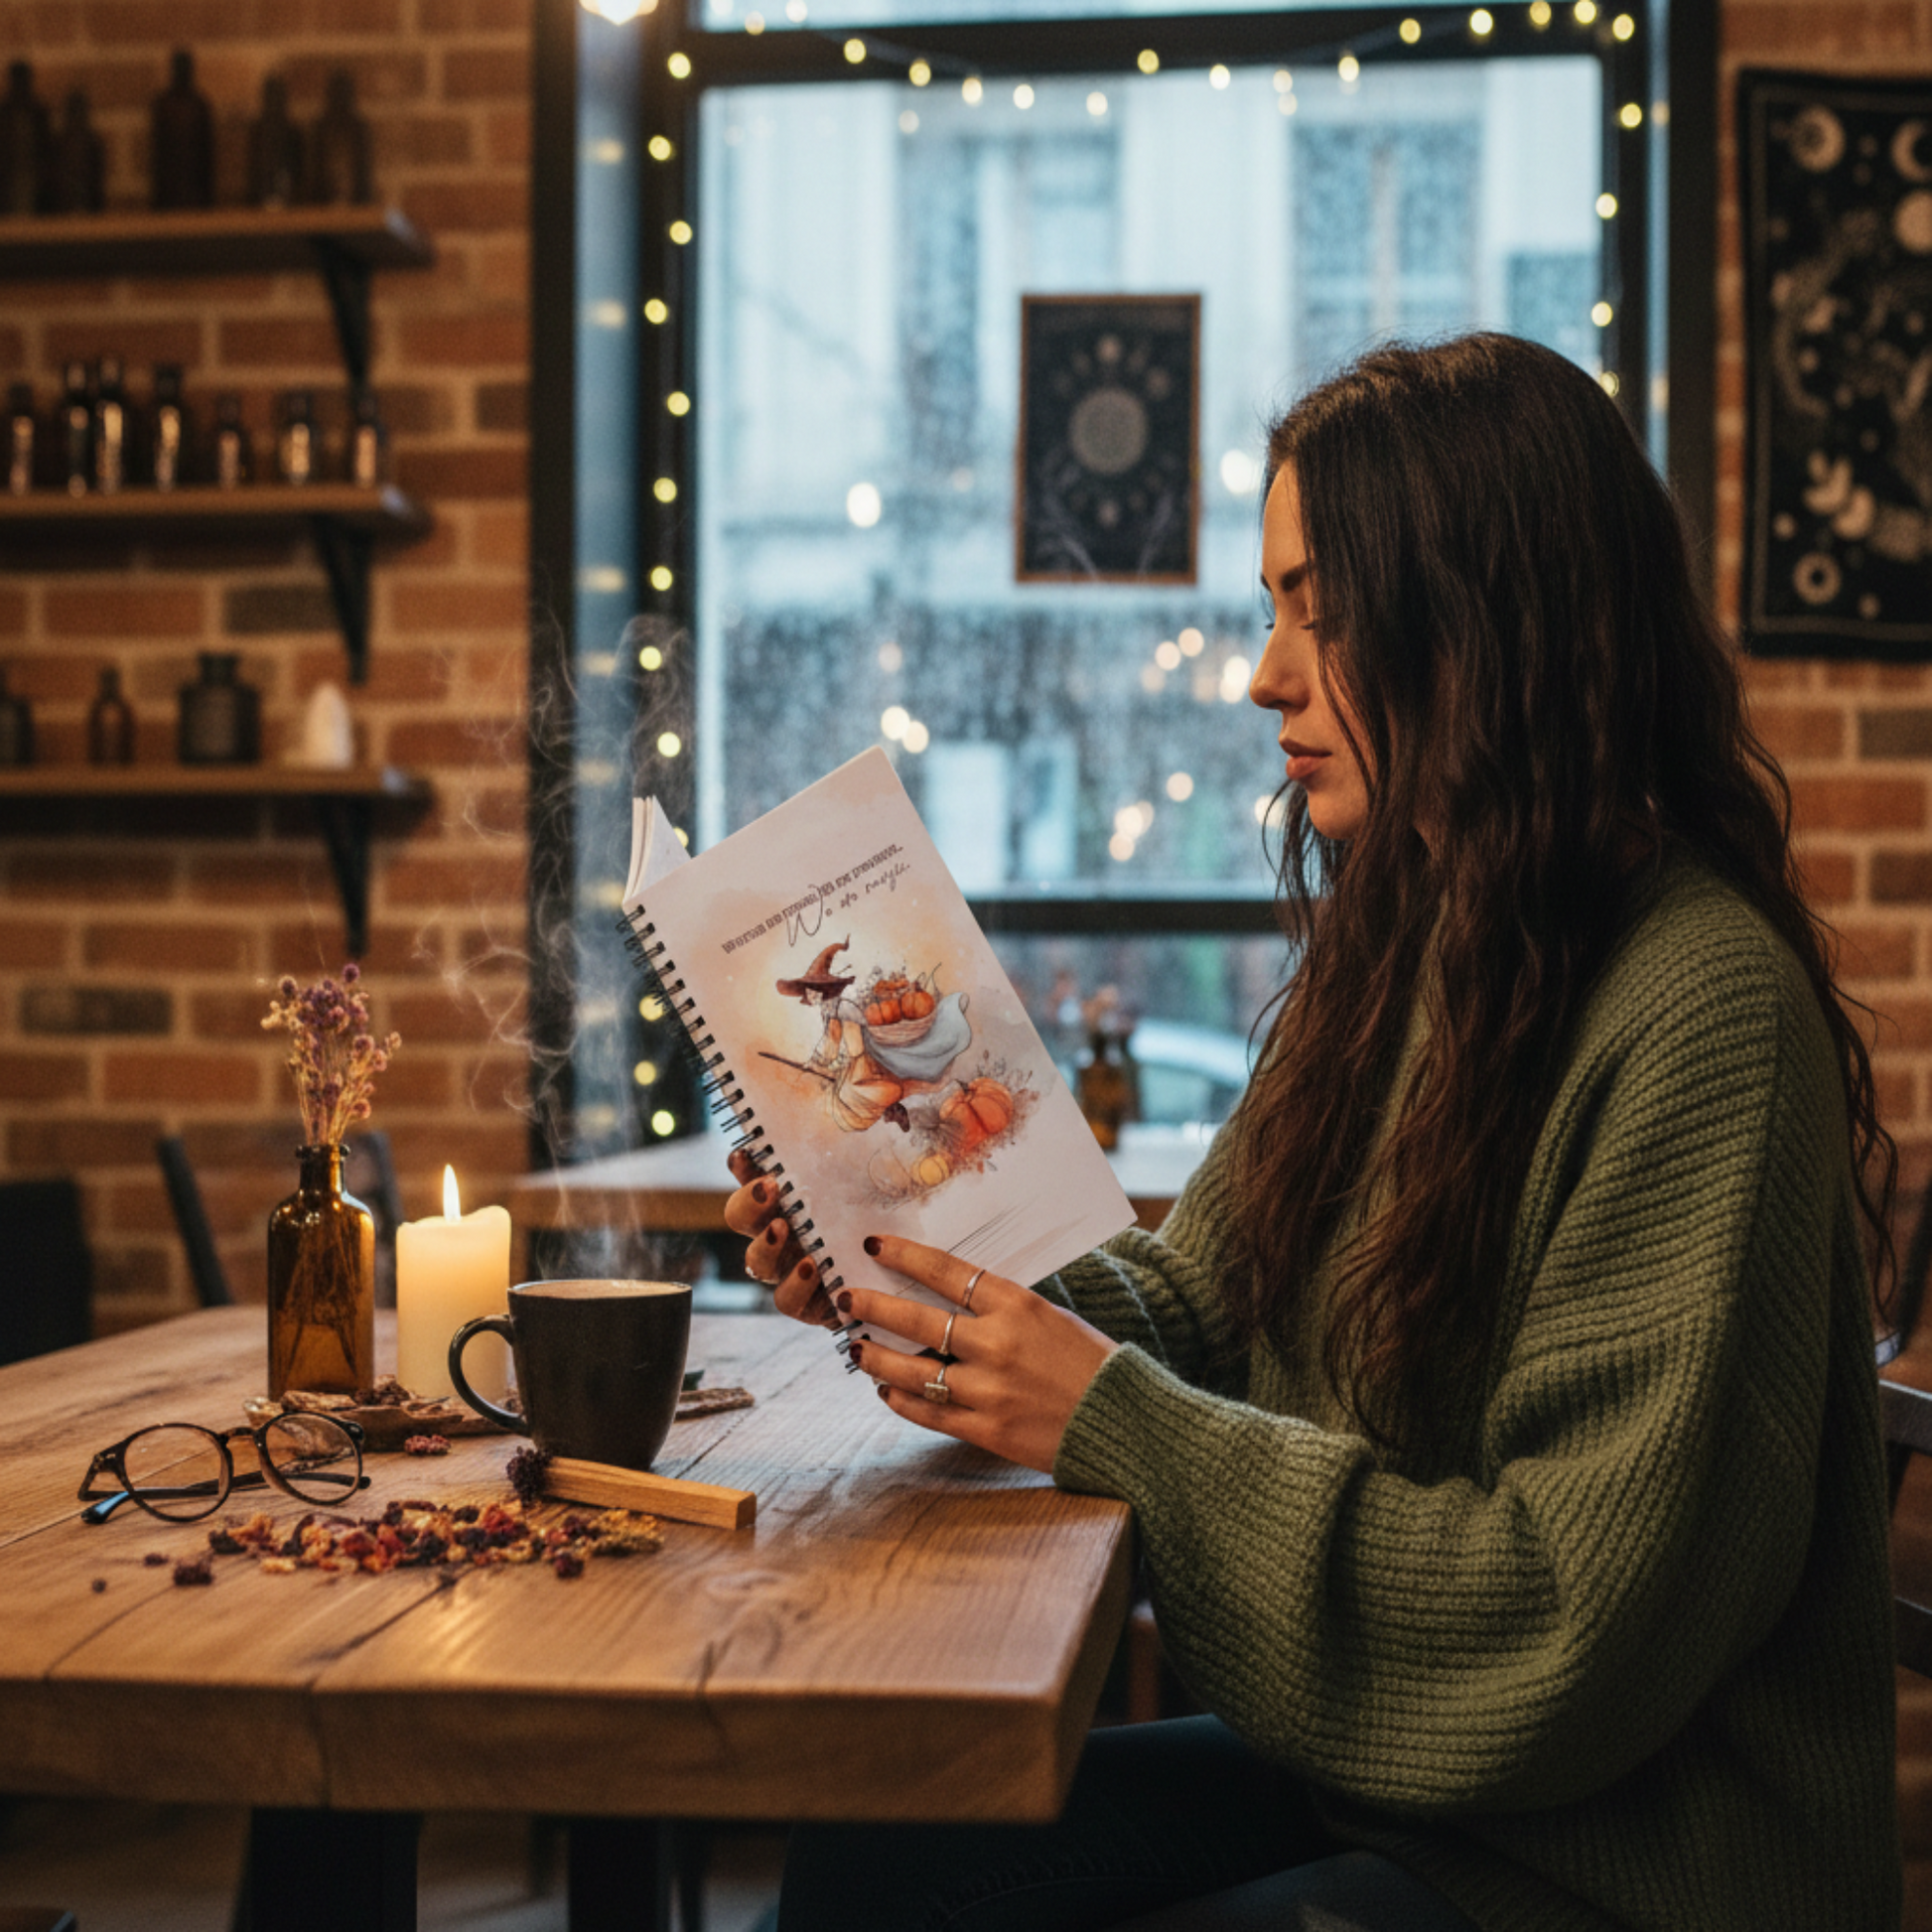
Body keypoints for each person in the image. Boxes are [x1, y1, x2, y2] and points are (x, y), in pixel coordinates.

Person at [725, 333, 1902, 1931]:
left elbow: (1571, 1616)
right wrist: (915, 1272)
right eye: (1273, 608)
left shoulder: (1700, 1011)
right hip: (1398, 1791)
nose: (1265, 675)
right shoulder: (1405, 943)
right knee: (872, 1852)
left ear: (1486, 632)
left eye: (1321, 618)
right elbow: (1199, 1306)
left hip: (1621, 1859)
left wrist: (1107, 1416)